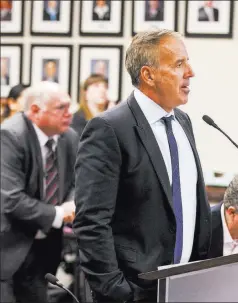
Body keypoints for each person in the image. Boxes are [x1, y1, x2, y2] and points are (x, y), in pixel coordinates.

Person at [73, 29, 211, 303]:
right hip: (134, 291)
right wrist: (117, 290)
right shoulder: (109, 128)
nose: (191, 72)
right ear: (148, 75)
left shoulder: (183, 122)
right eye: (179, 64)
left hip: (183, 286)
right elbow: (91, 222)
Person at [0, 81, 78, 303]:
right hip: (9, 249)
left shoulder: (69, 137)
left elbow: (77, 180)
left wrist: (71, 204)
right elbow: (11, 200)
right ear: (35, 110)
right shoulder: (10, 136)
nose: (69, 113)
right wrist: (59, 214)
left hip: (46, 248)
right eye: (60, 108)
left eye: (69, 106)